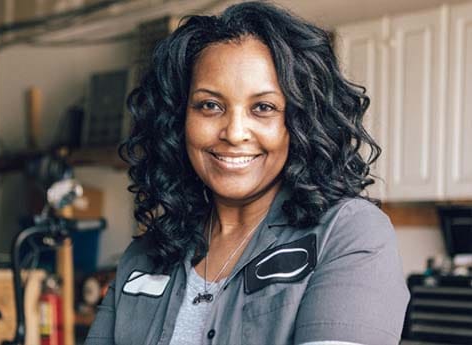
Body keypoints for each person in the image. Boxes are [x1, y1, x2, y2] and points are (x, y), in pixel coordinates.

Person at [86, 2, 410, 344]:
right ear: (179, 119)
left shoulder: (349, 233)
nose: (234, 132)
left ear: (301, 121)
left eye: (263, 108)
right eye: (210, 105)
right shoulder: (145, 254)